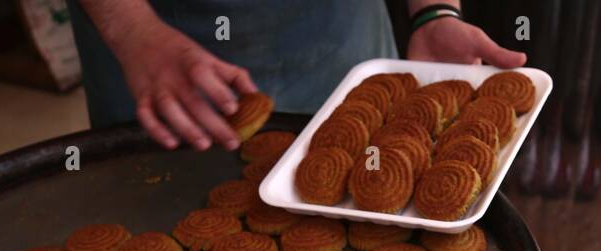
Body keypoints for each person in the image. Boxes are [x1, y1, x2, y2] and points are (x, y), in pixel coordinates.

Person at [68, 0, 525, 151]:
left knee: (366, 177)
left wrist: (433, 12)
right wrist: (131, 29)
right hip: (158, 41)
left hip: (337, 35)